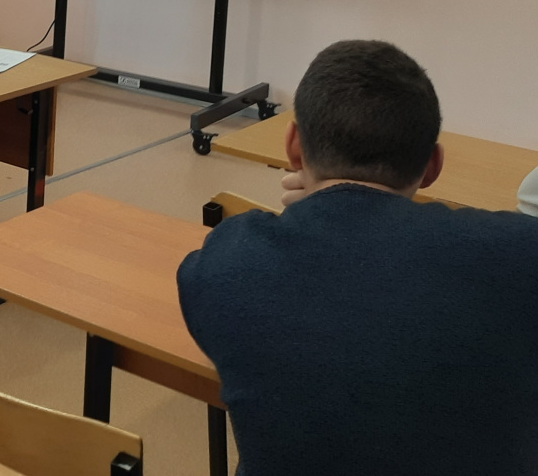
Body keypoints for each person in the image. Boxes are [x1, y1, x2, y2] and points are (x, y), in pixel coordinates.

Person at [178, 40, 538, 475]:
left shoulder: (223, 264)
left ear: (293, 146)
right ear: (433, 166)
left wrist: (325, 210)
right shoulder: (519, 255)